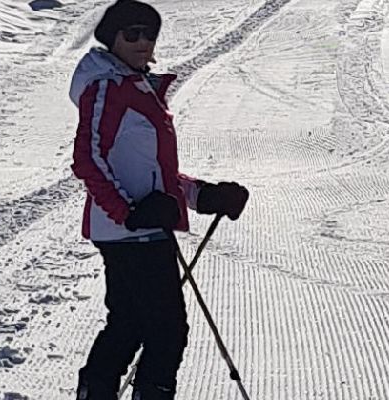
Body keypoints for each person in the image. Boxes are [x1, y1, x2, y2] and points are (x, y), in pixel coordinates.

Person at [67, 1, 249, 399]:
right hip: (131, 232)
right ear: (111, 38)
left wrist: (204, 195)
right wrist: (130, 214)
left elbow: (155, 172)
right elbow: (87, 158)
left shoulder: (140, 88)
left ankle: (94, 391)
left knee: (130, 324)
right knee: (167, 329)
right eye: (131, 33)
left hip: (142, 229)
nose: (142, 42)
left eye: (149, 34)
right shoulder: (106, 87)